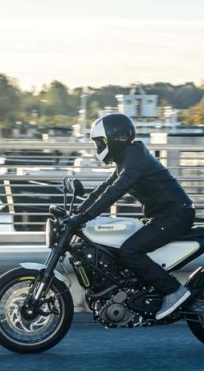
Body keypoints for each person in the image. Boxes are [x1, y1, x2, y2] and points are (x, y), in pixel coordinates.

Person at [66, 113, 195, 320]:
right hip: (163, 216)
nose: (98, 147)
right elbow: (102, 189)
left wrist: (85, 217)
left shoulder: (135, 160)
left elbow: (116, 191)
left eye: (100, 142)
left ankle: (174, 291)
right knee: (121, 245)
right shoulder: (127, 158)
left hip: (175, 215)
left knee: (130, 250)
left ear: (114, 139)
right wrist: (77, 212)